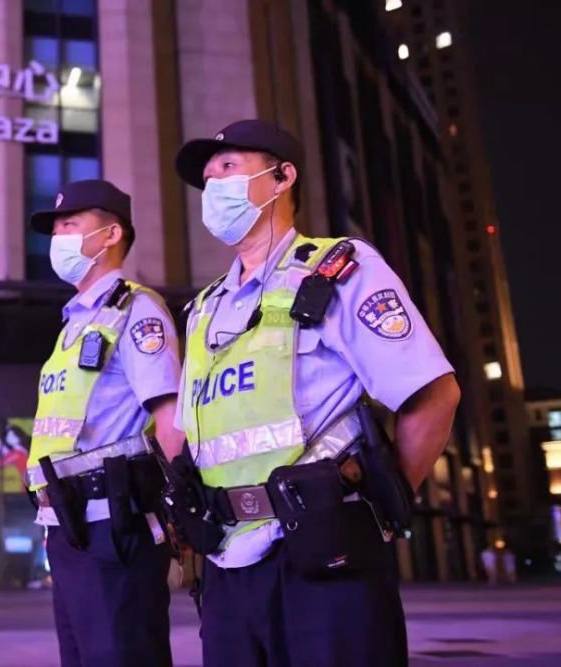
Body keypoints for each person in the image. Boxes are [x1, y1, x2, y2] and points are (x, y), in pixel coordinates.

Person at [169, 120, 461, 666]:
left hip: (324, 553)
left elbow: (432, 395)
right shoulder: (204, 309)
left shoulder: (339, 270)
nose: (214, 188)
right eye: (208, 179)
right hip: (228, 561)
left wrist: (379, 508)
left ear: (282, 178)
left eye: (228, 168)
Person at [26, 179, 183, 667]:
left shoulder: (135, 309)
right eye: (55, 229)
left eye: (70, 225)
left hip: (114, 526)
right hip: (68, 527)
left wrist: (184, 513)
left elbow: (170, 417)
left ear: (111, 235)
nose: (59, 237)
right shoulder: (72, 325)